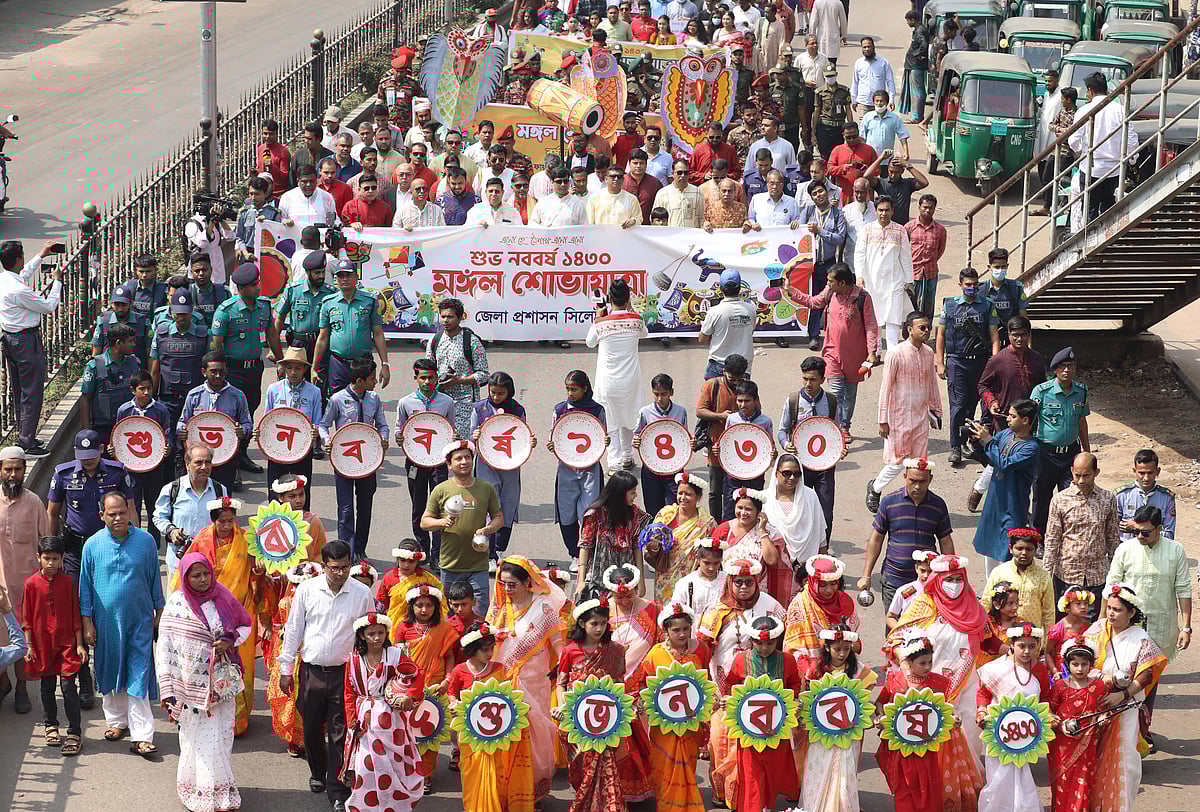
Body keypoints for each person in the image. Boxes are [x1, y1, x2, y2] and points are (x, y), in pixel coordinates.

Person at [168, 495, 273, 736]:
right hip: (209, 614)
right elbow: (186, 572)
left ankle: (239, 720)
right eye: (222, 521)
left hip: (240, 611)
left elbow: (256, 572)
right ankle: (209, 713)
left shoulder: (247, 540)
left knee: (242, 665)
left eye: (230, 520)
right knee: (209, 665)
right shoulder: (201, 540)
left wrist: (258, 570)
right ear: (213, 520)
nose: (227, 525)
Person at [278, 541, 372, 807]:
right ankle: (318, 772)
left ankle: (338, 788)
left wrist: (368, 672)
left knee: (340, 731)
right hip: (312, 672)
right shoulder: (307, 590)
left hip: (345, 674)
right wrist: (286, 669)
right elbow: (294, 629)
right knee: (311, 728)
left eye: (345, 567)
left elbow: (367, 633)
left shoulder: (362, 593)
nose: (340, 573)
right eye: (334, 568)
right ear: (324, 566)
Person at [157, 551, 251, 810]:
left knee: (220, 738)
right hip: (189, 689)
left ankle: (221, 792)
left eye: (206, 574)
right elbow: (164, 646)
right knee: (195, 739)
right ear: (185, 577)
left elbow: (244, 625)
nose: (202, 579)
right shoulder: (177, 604)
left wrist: (230, 641)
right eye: (195, 575)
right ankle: (196, 789)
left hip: (220, 685)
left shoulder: (222, 596)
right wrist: (167, 687)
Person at [889, 554, 1003, 763]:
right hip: (929, 682)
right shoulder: (924, 604)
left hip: (968, 683)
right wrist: (907, 668)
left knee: (969, 731)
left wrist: (1011, 649)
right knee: (933, 732)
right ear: (938, 579)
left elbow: (988, 640)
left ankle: (967, 778)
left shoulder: (974, 606)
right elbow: (897, 640)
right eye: (949, 579)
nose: (955, 584)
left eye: (959, 579)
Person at [698, 558, 786, 805]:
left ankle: (749, 797)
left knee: (752, 747)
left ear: (757, 582)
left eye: (749, 582)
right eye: (738, 582)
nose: (744, 587)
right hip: (722, 689)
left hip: (761, 693)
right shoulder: (716, 611)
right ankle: (722, 794)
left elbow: (783, 643)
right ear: (730, 582)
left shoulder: (772, 607)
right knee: (719, 740)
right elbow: (702, 651)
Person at [80, 492, 163, 757]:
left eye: (122, 512)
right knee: (110, 668)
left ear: (129, 512)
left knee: (139, 672)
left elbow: (154, 579)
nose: (118, 518)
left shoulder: (146, 541)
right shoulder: (92, 545)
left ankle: (142, 735)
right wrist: (87, 623)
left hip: (140, 620)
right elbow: (85, 588)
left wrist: (159, 613)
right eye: (112, 514)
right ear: (102, 515)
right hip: (105, 622)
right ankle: (116, 722)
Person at [484, 557, 569, 807]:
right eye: (503, 584)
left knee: (536, 734)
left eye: (512, 585)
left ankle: (533, 791)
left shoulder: (543, 607)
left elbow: (558, 642)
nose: (507, 589)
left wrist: (566, 669)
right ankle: (507, 790)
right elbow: (485, 638)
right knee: (505, 733)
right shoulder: (500, 607)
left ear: (527, 583)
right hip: (502, 679)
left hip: (535, 680)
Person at [1105, 504, 1191, 743]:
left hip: (1161, 626)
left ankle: (1142, 734)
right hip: (1128, 627)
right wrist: (1104, 620)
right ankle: (1118, 734)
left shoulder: (1175, 550)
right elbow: (1111, 585)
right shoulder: (1125, 549)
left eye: (1145, 532)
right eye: (1136, 531)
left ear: (1159, 529)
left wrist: (1186, 627)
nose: (1140, 536)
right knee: (1122, 676)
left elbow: (1184, 589)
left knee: (1148, 681)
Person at [1084, 584, 1167, 810]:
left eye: (1117, 610)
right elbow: (1078, 661)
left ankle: (1118, 806)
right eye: (1109, 608)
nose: (1111, 613)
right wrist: (1101, 678)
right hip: (1094, 705)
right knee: (1092, 759)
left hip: (1125, 709)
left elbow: (1146, 675)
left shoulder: (1141, 638)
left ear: (1131, 612)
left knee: (1125, 760)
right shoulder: (1096, 630)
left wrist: (1121, 694)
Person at [877, 631, 971, 811]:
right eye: (922, 663)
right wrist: (881, 717)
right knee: (905, 785)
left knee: (929, 784)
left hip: (928, 748)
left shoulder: (939, 683)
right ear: (909, 662)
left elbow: (945, 708)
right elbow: (880, 703)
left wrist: (954, 718)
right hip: (901, 748)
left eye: (930, 662)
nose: (928, 667)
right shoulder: (896, 680)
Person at [342, 612, 425, 810]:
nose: (377, 637)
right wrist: (352, 720)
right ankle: (365, 806)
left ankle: (394, 805)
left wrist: (410, 695)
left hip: (392, 721)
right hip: (365, 720)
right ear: (362, 635)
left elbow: (417, 673)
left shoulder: (395, 655)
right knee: (366, 766)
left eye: (380, 633)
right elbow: (348, 692)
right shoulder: (354, 660)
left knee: (394, 765)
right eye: (371, 634)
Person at [632, 603, 709, 812]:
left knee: (688, 764)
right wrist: (641, 703)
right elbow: (642, 683)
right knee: (665, 765)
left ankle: (688, 805)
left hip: (691, 720)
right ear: (665, 631)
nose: (682, 634)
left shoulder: (701, 650)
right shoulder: (655, 653)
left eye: (686, 628)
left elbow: (705, 681)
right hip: (663, 723)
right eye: (676, 630)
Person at [211, 262, 283, 480]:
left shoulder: (263, 306)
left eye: (258, 283)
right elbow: (216, 344)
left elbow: (272, 335)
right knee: (231, 414)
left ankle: (242, 454)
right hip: (233, 370)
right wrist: (218, 373)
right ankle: (230, 464)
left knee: (249, 409)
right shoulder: (226, 310)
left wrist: (281, 361)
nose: (258, 287)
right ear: (241, 288)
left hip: (254, 368)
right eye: (253, 285)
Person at [788, 265, 879, 434]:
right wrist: (790, 290)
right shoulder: (830, 292)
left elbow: (871, 326)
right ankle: (834, 429)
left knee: (850, 395)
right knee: (836, 394)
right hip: (832, 353)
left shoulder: (862, 297)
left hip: (855, 357)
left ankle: (845, 426)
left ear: (842, 283)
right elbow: (813, 302)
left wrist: (872, 351)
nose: (828, 284)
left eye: (831, 281)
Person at [724, 614, 802, 810]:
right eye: (759, 643)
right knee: (751, 771)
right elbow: (730, 685)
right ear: (751, 640)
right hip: (749, 728)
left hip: (777, 727)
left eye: (770, 643)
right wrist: (729, 701)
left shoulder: (788, 661)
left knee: (773, 769)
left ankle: (767, 803)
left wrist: (794, 700)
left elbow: (794, 683)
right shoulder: (740, 660)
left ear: (777, 640)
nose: (764, 647)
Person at [859, 459, 955, 611]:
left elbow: (945, 541)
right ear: (905, 477)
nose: (917, 486)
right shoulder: (889, 502)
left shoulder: (938, 505)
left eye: (922, 481)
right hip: (894, 580)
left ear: (930, 479)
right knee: (893, 623)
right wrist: (866, 575)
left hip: (927, 581)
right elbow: (876, 540)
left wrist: (950, 573)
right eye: (913, 480)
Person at [975, 623, 1052, 812]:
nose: (1026, 651)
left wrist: (1049, 714)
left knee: (1021, 771)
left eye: (1032, 646)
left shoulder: (1040, 670)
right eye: (1021, 646)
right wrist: (982, 710)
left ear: (1038, 646)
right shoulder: (996, 668)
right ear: (1011, 644)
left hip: (1024, 732)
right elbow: (983, 692)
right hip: (998, 730)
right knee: (997, 774)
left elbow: (1045, 698)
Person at [868, 313, 941, 511]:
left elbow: (932, 384)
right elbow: (885, 388)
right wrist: (883, 420)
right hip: (898, 417)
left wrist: (935, 411)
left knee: (918, 463)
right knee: (898, 461)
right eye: (922, 328)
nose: (926, 331)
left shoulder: (928, 353)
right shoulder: (896, 353)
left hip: (920, 416)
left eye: (928, 327)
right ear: (909, 329)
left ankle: (912, 500)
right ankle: (875, 488)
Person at [971, 316, 1045, 510]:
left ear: (1029, 335)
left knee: (1025, 463)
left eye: (1023, 335)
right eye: (1015, 335)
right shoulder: (998, 360)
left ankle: (1018, 505)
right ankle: (981, 489)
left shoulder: (1037, 359)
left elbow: (1042, 388)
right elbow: (983, 385)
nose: (1019, 339)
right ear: (1009, 335)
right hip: (1005, 420)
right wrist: (991, 402)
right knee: (1002, 460)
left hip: (1030, 422)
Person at [422, 441, 503, 618]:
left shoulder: (486, 488)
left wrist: (487, 529)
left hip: (478, 565)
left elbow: (499, 518)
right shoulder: (441, 490)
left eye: (467, 457)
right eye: (458, 459)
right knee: (451, 616)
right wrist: (442, 522)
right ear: (449, 464)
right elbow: (424, 522)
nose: (464, 462)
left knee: (480, 615)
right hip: (450, 565)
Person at [800, 624, 875, 812]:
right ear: (827, 647)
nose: (842, 654)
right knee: (819, 767)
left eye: (846, 649)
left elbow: (865, 700)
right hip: (821, 731)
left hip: (848, 732)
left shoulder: (859, 671)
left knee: (845, 771)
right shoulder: (816, 669)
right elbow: (807, 697)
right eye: (837, 649)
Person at [21, 535, 85, 754]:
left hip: (67, 643)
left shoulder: (68, 583)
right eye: (46, 558)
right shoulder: (31, 584)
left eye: (55, 559)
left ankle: (75, 732)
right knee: (47, 688)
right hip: (42, 645)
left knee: (69, 688)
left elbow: (75, 615)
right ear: (38, 557)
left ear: (62, 559)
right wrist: (29, 645)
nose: (51, 563)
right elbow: (27, 618)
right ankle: (51, 725)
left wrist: (79, 644)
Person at [321, 357, 389, 560]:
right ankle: (346, 552)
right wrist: (327, 440)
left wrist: (384, 438)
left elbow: (382, 425)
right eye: (372, 378)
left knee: (365, 506)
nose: (375, 382)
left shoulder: (374, 399)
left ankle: (360, 549)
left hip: (369, 461)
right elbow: (323, 424)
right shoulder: (337, 399)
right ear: (359, 381)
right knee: (346, 509)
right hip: (344, 461)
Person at [0, 239, 63, 455]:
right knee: (32, 391)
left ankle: (24, 433)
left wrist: (41, 255)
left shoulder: (5, 279)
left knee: (20, 390)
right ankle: (26, 441)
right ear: (19, 258)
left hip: (11, 339)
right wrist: (57, 282)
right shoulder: (18, 291)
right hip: (26, 342)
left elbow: (23, 273)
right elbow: (49, 306)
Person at [393, 583, 459, 788]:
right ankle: (406, 772)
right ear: (411, 606)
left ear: (436, 607)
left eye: (429, 605)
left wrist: (447, 680)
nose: (424, 610)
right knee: (406, 732)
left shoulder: (444, 628)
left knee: (430, 731)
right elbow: (397, 658)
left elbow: (449, 656)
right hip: (409, 687)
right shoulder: (403, 627)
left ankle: (426, 775)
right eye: (419, 605)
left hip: (435, 686)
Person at [470, 372, 537, 569]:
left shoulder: (517, 410)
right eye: (493, 392)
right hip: (486, 464)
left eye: (501, 393)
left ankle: (499, 550)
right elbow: (471, 436)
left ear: (509, 392)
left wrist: (530, 442)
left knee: (508, 506)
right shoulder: (479, 408)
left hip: (510, 465)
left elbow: (523, 435)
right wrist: (475, 435)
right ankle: (489, 553)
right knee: (490, 505)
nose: (496, 396)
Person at [0, 446, 50, 713]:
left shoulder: (34, 502)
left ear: (24, 471)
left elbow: (46, 545)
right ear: (0, 471)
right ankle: (4, 683)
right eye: (8, 469)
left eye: (18, 469)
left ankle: (21, 688)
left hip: (27, 588)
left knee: (24, 637)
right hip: (0, 587)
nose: (13, 474)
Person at [935, 268, 1000, 466]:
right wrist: (940, 362)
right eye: (968, 284)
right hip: (957, 362)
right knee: (958, 404)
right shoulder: (950, 305)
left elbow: (994, 335)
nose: (972, 288)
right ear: (960, 285)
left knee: (972, 403)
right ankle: (955, 446)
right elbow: (940, 334)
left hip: (980, 362)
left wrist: (995, 363)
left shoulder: (987, 305)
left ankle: (964, 441)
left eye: (975, 284)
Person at [395, 358, 455, 566]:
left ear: (437, 377)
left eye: (431, 377)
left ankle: (438, 553)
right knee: (418, 507)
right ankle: (422, 549)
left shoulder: (447, 402)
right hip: (415, 462)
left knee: (439, 507)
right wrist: (399, 437)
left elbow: (451, 429)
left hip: (439, 463)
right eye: (423, 378)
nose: (427, 382)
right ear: (416, 378)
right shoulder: (405, 402)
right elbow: (399, 429)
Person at [1044, 452, 1119, 618]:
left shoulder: (1108, 499)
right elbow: (1052, 540)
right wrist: (1046, 576)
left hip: (1097, 576)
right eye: (1077, 475)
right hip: (1067, 575)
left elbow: (1113, 538)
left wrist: (1117, 573)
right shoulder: (1060, 500)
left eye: (1086, 475)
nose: (1081, 481)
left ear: (1096, 472)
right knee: (1065, 624)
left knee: (1095, 626)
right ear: (1072, 471)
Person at [969, 401, 1040, 573]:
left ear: (1025, 420)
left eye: (1012, 416)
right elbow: (990, 455)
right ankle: (990, 585)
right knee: (990, 545)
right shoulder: (1006, 434)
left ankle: (1008, 586)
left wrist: (987, 440)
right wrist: (977, 438)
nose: (1007, 419)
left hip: (1013, 506)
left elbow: (1004, 463)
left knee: (1009, 548)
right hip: (994, 501)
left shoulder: (1031, 448)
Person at [586, 278, 647, 470]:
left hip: (608, 381)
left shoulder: (601, 323)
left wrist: (598, 316)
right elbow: (644, 333)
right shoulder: (636, 320)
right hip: (630, 380)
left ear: (609, 298)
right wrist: (631, 310)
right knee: (629, 417)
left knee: (611, 420)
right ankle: (627, 456)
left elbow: (590, 342)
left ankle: (614, 463)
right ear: (628, 299)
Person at [551, 371, 607, 571]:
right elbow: (554, 434)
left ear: (585, 388)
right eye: (567, 389)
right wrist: (552, 444)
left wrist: (605, 441)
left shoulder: (597, 409)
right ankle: (574, 554)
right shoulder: (560, 409)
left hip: (590, 469)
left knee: (589, 513)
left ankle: (588, 554)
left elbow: (601, 434)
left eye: (574, 389)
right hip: (566, 469)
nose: (570, 393)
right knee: (566, 513)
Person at [1031, 347, 1091, 534]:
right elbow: (1029, 420)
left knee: (1072, 496)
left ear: (1075, 368)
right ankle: (1038, 537)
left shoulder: (1081, 391)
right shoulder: (1041, 392)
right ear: (1055, 369)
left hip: (1071, 454)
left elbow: (1081, 421)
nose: (1066, 370)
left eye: (1070, 366)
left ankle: (1068, 535)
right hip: (1045, 455)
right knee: (1042, 498)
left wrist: (1087, 453)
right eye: (1062, 366)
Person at [177, 352, 253, 492]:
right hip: (199, 460)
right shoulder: (194, 395)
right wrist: (181, 430)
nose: (218, 375)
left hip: (226, 458)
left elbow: (247, 424)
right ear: (203, 372)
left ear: (227, 371)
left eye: (221, 371)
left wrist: (242, 430)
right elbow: (182, 422)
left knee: (223, 497)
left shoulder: (237, 395)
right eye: (213, 371)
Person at [150, 287, 210, 467]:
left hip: (195, 400)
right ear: (171, 310)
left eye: (185, 313)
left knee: (195, 442)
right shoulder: (161, 334)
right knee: (168, 442)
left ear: (192, 311)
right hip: (168, 398)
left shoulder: (203, 335)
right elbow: (155, 370)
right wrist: (152, 399)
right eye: (178, 313)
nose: (181, 317)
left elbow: (209, 367)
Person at [1068, 72, 1138, 223]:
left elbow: (1073, 141)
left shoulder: (1084, 110)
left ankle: (1089, 237)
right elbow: (1132, 141)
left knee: (1089, 210)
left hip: (1090, 168)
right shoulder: (1120, 110)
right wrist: (1132, 161)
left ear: (1091, 90)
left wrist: (1081, 151)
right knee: (1108, 209)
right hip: (1114, 170)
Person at [1048, 636, 1108, 812]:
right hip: (1062, 744)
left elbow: (1104, 709)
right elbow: (1049, 711)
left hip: (1088, 744)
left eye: (1084, 664)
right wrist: (1059, 724)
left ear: (1091, 665)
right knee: (1062, 781)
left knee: (1084, 781)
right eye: (1075, 664)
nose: (1080, 668)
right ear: (1067, 664)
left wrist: (1103, 717)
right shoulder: (1059, 686)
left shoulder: (1099, 686)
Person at [259, 346, 323, 503]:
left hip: (302, 450)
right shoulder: (274, 390)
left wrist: (316, 432)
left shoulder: (314, 392)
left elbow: (318, 422)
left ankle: (302, 519)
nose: (293, 372)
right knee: (275, 493)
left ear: (305, 369)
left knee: (301, 493)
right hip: (277, 449)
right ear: (284, 368)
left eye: (298, 368)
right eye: (289, 368)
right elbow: (267, 420)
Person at [573, 471, 646, 599]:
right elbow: (585, 546)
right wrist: (580, 581)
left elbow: (636, 546)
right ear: (620, 493)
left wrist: (641, 580)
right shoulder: (594, 514)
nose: (635, 495)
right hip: (599, 579)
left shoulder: (635, 513)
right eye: (632, 492)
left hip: (626, 579)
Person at [784, 553, 860, 674]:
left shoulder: (844, 601)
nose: (829, 590)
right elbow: (794, 647)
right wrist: (811, 672)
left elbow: (854, 639)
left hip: (842, 665)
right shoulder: (799, 605)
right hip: (811, 670)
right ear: (812, 582)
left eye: (833, 584)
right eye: (823, 585)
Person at [426, 297, 489, 440]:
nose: (445, 321)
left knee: (461, 442)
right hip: (440, 400)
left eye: (450, 317)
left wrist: (459, 380)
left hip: (465, 403)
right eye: (443, 316)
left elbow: (484, 375)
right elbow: (428, 370)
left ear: (460, 318)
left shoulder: (471, 341)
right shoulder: (434, 341)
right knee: (440, 440)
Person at [716, 488, 792, 605]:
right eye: (740, 508)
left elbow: (772, 561)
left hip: (758, 594)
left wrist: (762, 530)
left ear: (758, 512)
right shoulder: (724, 529)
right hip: (728, 591)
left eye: (748, 509)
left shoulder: (771, 532)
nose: (743, 513)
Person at [855, 197, 912, 353]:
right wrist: (859, 276)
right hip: (872, 280)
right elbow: (859, 254)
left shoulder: (900, 230)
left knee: (894, 316)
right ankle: (875, 351)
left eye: (887, 210)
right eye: (880, 210)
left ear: (892, 211)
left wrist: (909, 279)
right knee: (874, 316)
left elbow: (906, 256)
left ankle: (893, 353)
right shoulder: (867, 229)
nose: (883, 213)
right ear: (875, 211)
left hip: (894, 281)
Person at [274, 253, 335, 383]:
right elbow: (280, 318)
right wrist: (274, 347)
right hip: (298, 343)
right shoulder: (293, 290)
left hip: (321, 344)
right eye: (317, 273)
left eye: (323, 272)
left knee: (319, 382)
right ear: (307, 272)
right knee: (295, 382)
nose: (321, 276)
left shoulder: (331, 293)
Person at [632, 374, 687, 517]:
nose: (659, 398)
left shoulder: (681, 411)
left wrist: (690, 443)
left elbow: (684, 436)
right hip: (651, 467)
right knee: (653, 509)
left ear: (671, 392)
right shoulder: (645, 412)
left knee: (673, 508)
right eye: (656, 394)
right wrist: (636, 441)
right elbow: (637, 434)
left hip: (674, 467)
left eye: (664, 394)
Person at [699, 270, 756, 380]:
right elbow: (751, 331)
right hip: (742, 366)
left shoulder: (714, 312)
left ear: (721, 288)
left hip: (719, 364)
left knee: (713, 391)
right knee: (741, 391)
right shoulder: (751, 310)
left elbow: (702, 339)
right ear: (739, 288)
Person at [1115, 448, 1177, 541]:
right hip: (1127, 546)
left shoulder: (1167, 498)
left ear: (1158, 471)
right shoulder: (1122, 495)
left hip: (1156, 547)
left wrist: (1136, 527)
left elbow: (1169, 535)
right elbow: (1112, 529)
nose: (1146, 478)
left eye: (1150, 473)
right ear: (1134, 471)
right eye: (1142, 473)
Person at [903, 194, 946, 319]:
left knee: (929, 305)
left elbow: (940, 250)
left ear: (934, 209)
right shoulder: (909, 227)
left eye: (930, 208)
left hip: (931, 273)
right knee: (911, 305)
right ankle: (909, 329)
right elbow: (903, 249)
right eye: (925, 207)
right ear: (919, 207)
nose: (927, 210)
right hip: (912, 272)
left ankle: (927, 328)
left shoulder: (940, 230)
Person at [92, 284, 150, 368]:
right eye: (117, 305)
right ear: (111, 303)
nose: (120, 309)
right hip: (108, 371)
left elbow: (150, 353)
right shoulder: (103, 322)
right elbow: (96, 351)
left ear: (131, 303)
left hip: (136, 370)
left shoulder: (142, 322)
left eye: (123, 305)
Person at [885, 551, 935, 631]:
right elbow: (890, 617)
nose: (926, 575)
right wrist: (902, 632)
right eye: (922, 571)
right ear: (916, 569)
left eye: (930, 571)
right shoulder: (905, 591)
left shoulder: (942, 592)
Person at [900, 10, 930, 123]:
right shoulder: (919, 30)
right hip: (914, 65)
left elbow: (924, 46)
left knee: (917, 91)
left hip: (916, 66)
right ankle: (917, 115)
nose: (907, 23)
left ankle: (917, 117)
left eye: (908, 21)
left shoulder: (920, 31)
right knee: (916, 91)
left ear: (913, 20)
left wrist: (915, 54)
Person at [810, 0, 847, 65]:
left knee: (821, 63)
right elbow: (843, 21)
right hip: (834, 37)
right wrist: (844, 35)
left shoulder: (817, 3)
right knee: (832, 64)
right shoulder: (838, 3)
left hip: (821, 38)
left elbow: (813, 22)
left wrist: (811, 36)